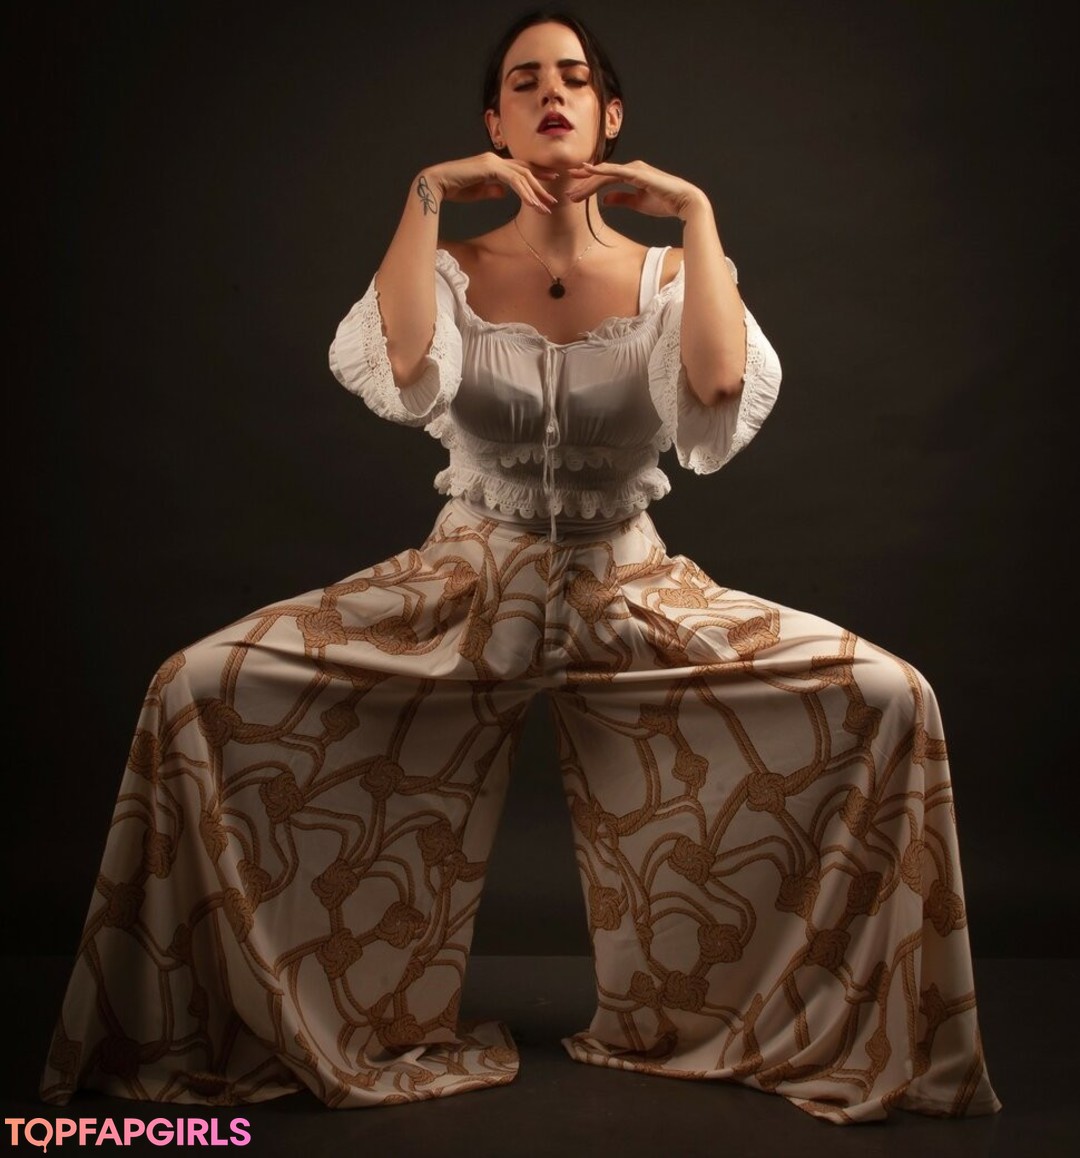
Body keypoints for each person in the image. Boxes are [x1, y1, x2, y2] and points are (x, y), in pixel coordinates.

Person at [39, 9, 1002, 1126]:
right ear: (494, 121)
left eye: (576, 79)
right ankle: (258, 1019)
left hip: (630, 594)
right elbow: (406, 361)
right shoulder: (444, 264)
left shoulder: (673, 271)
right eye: (525, 80)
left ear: (611, 114)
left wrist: (698, 216)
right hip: (462, 591)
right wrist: (425, 192)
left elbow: (716, 390)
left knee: (892, 698)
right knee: (193, 687)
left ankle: (756, 1015)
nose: (553, 94)